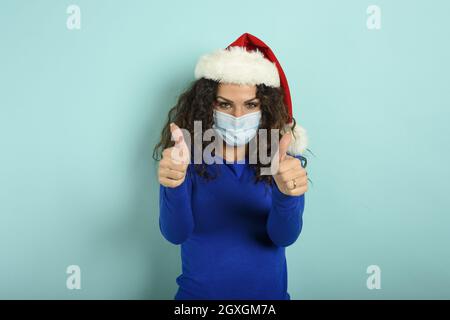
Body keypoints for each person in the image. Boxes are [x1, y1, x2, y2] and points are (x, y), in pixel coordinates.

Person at [153, 33, 309, 300]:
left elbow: (284, 237)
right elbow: (175, 233)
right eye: (224, 104)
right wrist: (174, 186)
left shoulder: (282, 161)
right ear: (206, 104)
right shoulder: (187, 154)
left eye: (251, 104)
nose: (238, 116)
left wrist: (286, 196)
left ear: (266, 107)